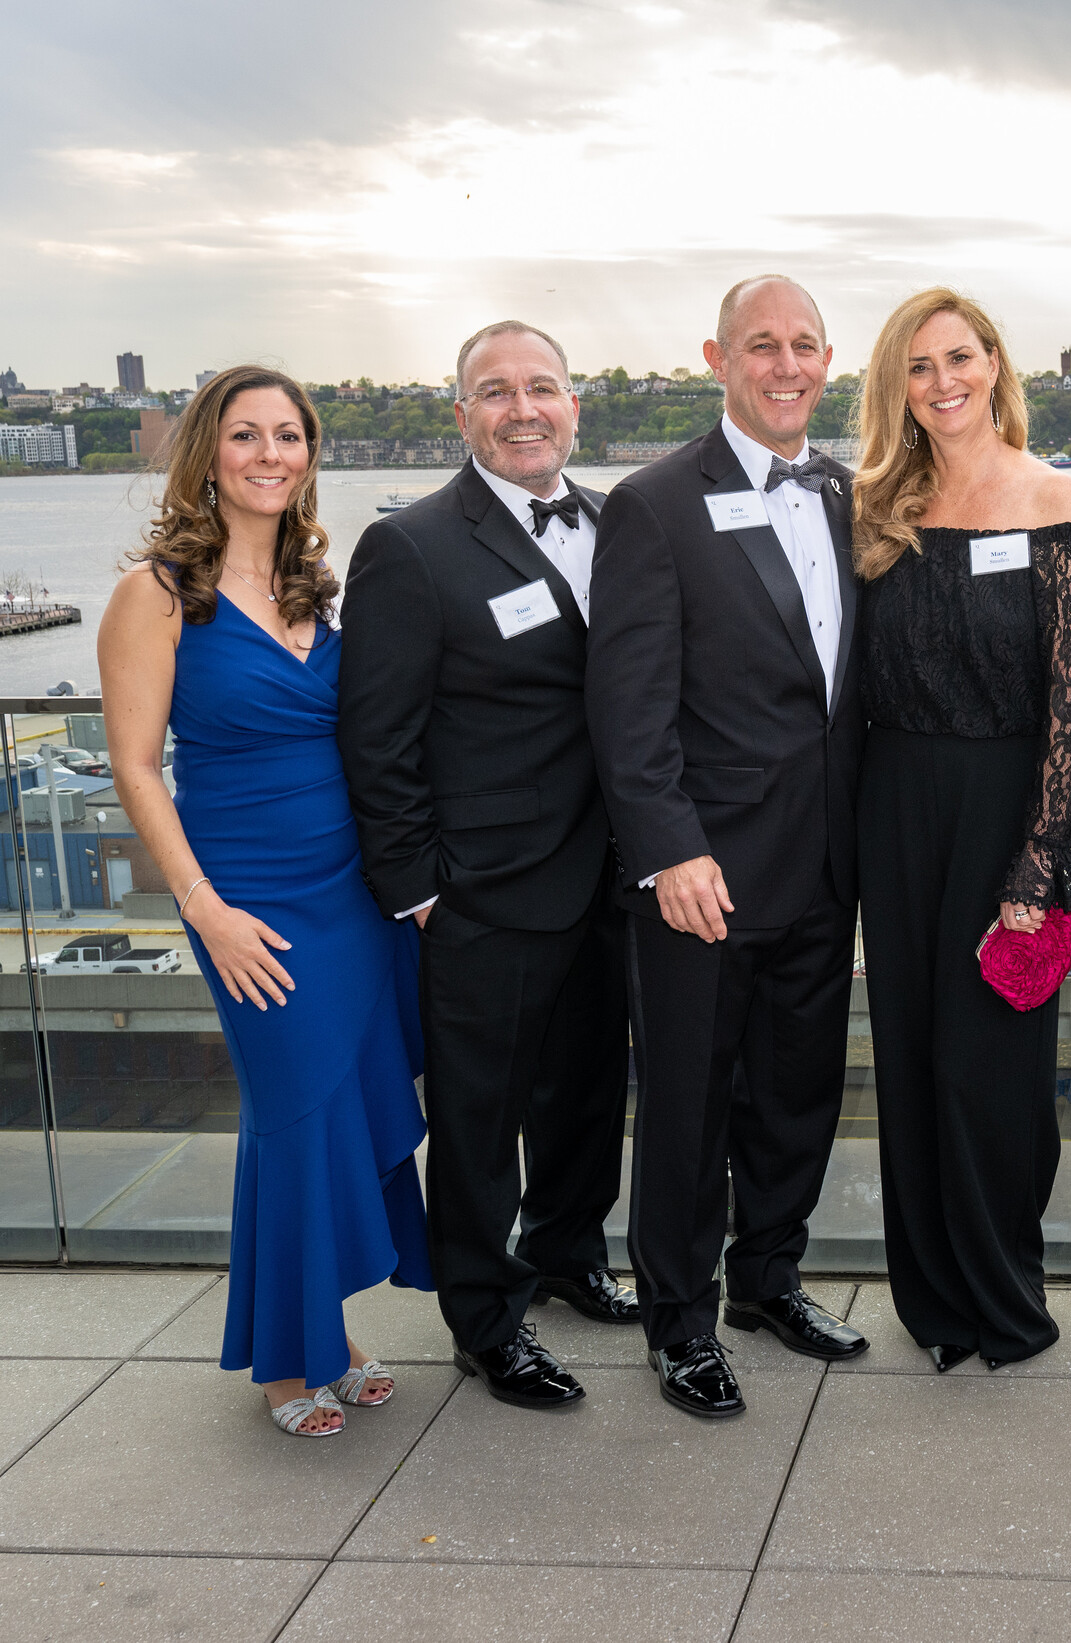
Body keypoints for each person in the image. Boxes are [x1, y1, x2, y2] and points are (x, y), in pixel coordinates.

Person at [97, 367, 429, 1438]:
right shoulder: (155, 592)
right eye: (247, 434)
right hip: (249, 900)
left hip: (353, 892)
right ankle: (288, 1362)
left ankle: (325, 1333)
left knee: (338, 1111)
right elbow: (138, 767)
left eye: (290, 434)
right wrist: (203, 906)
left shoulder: (311, 583)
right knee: (291, 1112)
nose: (271, 453)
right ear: (208, 451)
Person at [337, 321, 635, 1414]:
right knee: (478, 1112)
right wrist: (417, 886)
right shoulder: (410, 545)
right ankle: (483, 1315)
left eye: (542, 388)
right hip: (483, 887)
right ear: (460, 413)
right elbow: (376, 736)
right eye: (495, 391)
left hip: (611, 872)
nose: (523, 409)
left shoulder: (615, 519)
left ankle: (566, 1250)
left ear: (573, 404)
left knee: (588, 1087)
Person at [587, 275, 869, 1419]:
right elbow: (627, 704)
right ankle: (679, 1321)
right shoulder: (653, 504)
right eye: (763, 345)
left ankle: (768, 1280)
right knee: (690, 1105)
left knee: (796, 1092)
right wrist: (667, 850)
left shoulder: (852, 493)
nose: (786, 365)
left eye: (804, 345)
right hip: (702, 872)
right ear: (717, 357)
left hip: (824, 862)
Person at [850, 289, 1071, 1371]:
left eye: (959, 356)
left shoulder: (1057, 500)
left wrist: (1039, 856)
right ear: (893, 387)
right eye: (917, 366)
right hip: (893, 805)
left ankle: (1005, 1292)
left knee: (990, 1065)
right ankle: (932, 1300)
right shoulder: (871, 505)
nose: (942, 380)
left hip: (1008, 804)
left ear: (996, 364)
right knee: (909, 1057)